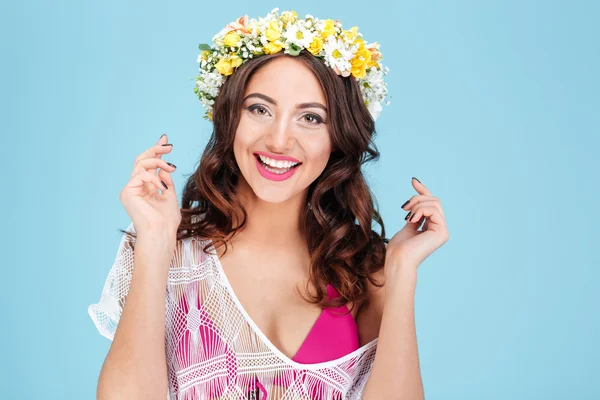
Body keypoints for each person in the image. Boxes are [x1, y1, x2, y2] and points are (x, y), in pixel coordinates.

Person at [88, 8, 449, 400]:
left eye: (310, 118)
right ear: (229, 117)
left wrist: (401, 271)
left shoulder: (364, 270)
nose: (279, 140)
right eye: (259, 109)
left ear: (337, 138)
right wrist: (155, 243)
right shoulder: (166, 250)